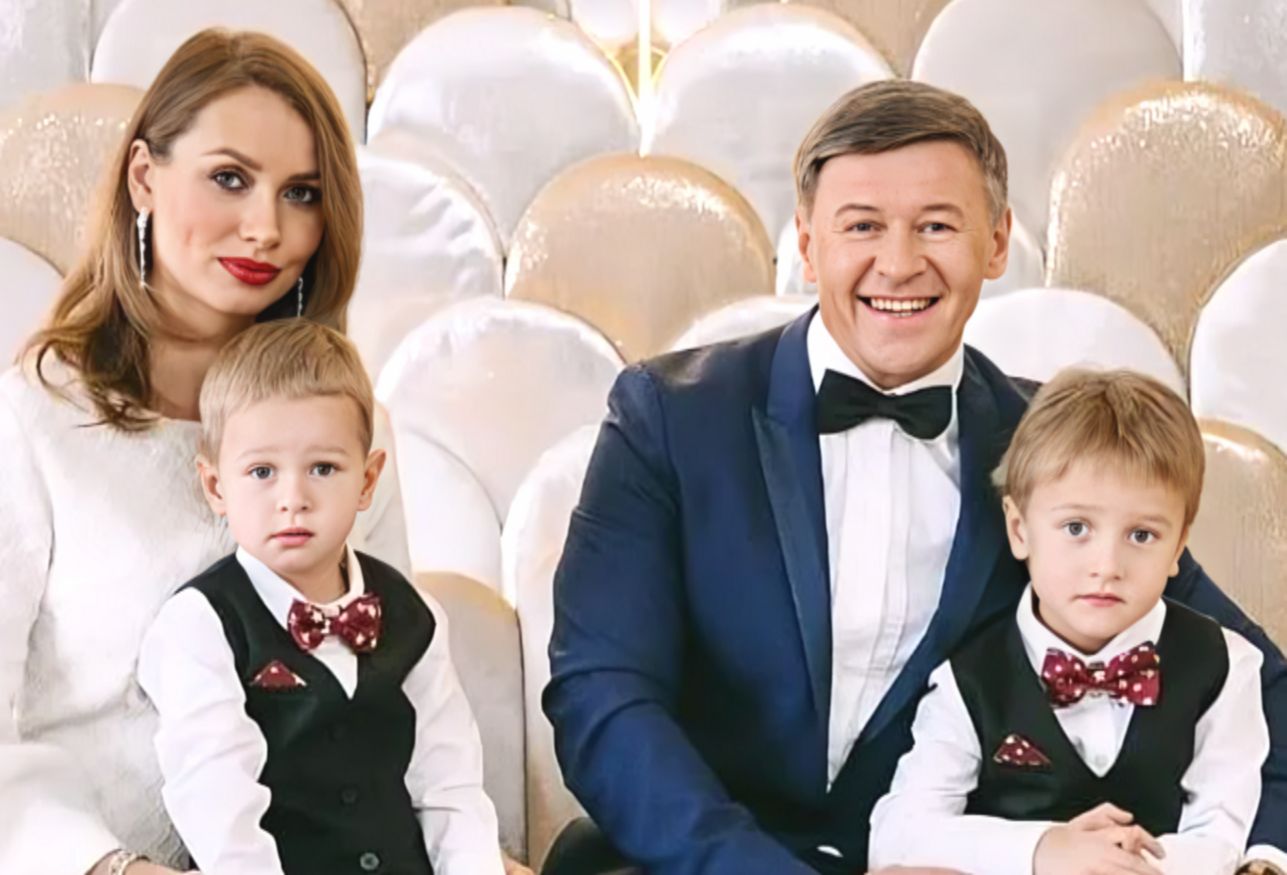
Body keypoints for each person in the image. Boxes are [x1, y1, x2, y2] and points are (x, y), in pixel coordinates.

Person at [541, 79, 1287, 875]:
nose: (898, 264)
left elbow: (1260, 686)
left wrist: (1257, 859)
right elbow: (603, 694)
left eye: (936, 225)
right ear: (806, 242)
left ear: (996, 242)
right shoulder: (668, 415)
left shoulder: (1058, 446)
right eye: (862, 225)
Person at [0, 29, 410, 875]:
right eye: (230, 178)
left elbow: (385, 689)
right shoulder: (31, 417)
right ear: (143, 178)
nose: (266, 228)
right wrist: (109, 866)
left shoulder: (351, 424)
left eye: (301, 193)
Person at [137, 320, 507, 875]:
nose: (293, 498)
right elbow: (219, 808)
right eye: (262, 471)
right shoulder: (200, 626)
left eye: (323, 468)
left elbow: (450, 788)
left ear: (367, 480)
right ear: (216, 486)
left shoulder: (414, 616)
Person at [868, 368, 1267, 875]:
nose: (1107, 565)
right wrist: (1041, 849)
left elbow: (1222, 832)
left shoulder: (1226, 666)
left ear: (1178, 548)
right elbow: (898, 835)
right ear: (1020, 530)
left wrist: (1126, 866)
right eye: (1076, 528)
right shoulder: (970, 679)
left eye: (1142, 535)